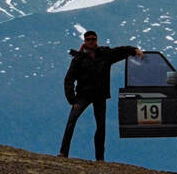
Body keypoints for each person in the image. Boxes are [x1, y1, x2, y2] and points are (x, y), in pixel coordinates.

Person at [59, 30, 144, 161]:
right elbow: (68, 80)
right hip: (83, 96)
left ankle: (100, 158)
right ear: (85, 41)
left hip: (100, 95)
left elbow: (120, 51)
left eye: (93, 39)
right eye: (88, 39)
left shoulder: (105, 54)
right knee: (71, 121)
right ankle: (63, 153)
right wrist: (72, 100)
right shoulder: (78, 59)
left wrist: (134, 50)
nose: (91, 41)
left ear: (96, 40)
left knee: (101, 126)